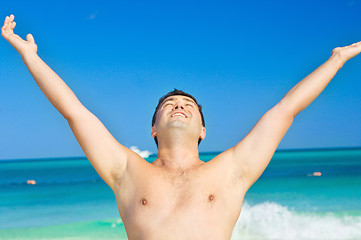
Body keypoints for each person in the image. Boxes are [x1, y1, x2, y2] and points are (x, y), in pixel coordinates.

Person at [2, 14, 361, 240]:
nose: (178, 106)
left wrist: (336, 59)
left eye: (188, 105)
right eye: (169, 105)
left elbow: (286, 110)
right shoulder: (126, 169)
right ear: (153, 129)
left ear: (203, 130)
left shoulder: (231, 171)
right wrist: (30, 58)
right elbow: (75, 112)